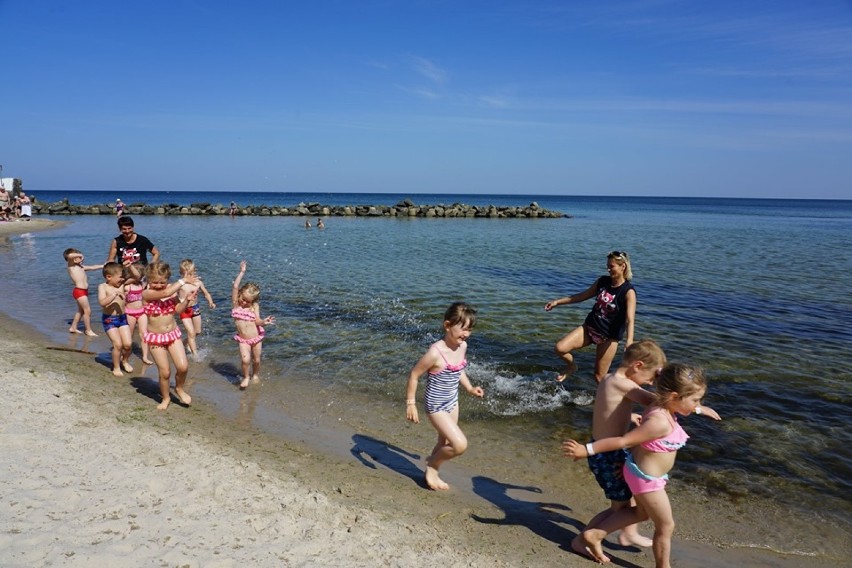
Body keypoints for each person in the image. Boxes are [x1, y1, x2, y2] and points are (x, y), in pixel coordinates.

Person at [563, 363, 719, 567]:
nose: (697, 403)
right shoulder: (659, 422)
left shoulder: (660, 407)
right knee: (666, 526)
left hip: (642, 473)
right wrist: (588, 450)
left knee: (640, 513)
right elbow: (623, 441)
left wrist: (698, 408)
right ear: (673, 396)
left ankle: (594, 534)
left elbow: (643, 444)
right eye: (695, 399)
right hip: (647, 480)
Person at [405, 302, 485, 491]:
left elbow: (459, 370)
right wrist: (411, 403)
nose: (466, 334)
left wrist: (469, 388)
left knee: (445, 443)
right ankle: (432, 465)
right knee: (459, 445)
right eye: (462, 328)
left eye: (470, 329)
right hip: (436, 405)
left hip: (452, 401)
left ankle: (431, 472)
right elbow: (414, 375)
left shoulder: (462, 346)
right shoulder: (435, 353)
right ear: (447, 325)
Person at [545, 250, 636, 383]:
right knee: (560, 348)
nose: (608, 269)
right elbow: (582, 296)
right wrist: (557, 302)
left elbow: (629, 319)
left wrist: (629, 340)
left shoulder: (628, 291)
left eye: (611, 266)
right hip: (590, 328)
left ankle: (607, 401)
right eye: (608, 266)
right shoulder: (603, 281)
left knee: (599, 377)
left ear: (623, 267)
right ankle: (572, 366)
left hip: (608, 337)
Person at [142, 261, 197, 410]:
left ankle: (179, 388)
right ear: (148, 280)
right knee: (165, 371)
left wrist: (187, 300)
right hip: (156, 338)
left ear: (167, 280)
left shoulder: (171, 291)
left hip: (172, 335)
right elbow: (164, 293)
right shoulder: (147, 293)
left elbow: (178, 310)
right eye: (155, 282)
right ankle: (165, 398)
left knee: (183, 367)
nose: (159, 285)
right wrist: (183, 280)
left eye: (163, 282)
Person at [232, 260, 274, 390]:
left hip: (256, 338)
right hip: (243, 339)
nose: (244, 302)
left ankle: (255, 374)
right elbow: (235, 287)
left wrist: (264, 322)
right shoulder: (236, 304)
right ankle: (246, 377)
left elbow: (257, 321)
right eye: (243, 299)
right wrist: (242, 272)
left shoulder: (254, 306)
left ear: (253, 301)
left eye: (248, 301)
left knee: (256, 360)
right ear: (240, 294)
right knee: (245, 360)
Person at [97, 262, 133, 376]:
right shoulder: (103, 287)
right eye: (119, 277)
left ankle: (125, 361)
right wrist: (114, 295)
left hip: (122, 318)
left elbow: (137, 277)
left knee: (127, 344)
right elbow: (102, 303)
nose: (121, 279)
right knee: (117, 344)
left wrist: (130, 266)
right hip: (109, 319)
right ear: (109, 277)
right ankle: (116, 367)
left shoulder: (122, 284)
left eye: (122, 277)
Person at [178, 258, 216, 357]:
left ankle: (185, 342)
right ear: (181, 273)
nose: (188, 276)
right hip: (184, 310)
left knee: (197, 332)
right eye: (185, 274)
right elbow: (171, 293)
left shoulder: (198, 283)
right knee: (191, 332)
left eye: (190, 273)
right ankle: (195, 354)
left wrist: (210, 302)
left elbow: (206, 293)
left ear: (194, 271)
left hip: (195, 308)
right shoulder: (180, 284)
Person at [64, 248, 104, 336]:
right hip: (79, 291)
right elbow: (69, 256)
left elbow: (93, 267)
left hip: (84, 291)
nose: (81, 258)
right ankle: (88, 330)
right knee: (88, 311)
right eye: (78, 257)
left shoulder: (81, 267)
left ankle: (73, 327)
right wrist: (80, 255)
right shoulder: (71, 266)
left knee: (81, 311)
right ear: (73, 259)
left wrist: (103, 266)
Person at [123, 263, 153, 365]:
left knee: (144, 334)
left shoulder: (142, 285)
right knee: (129, 335)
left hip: (142, 312)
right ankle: (126, 354)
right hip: (130, 313)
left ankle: (145, 356)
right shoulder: (127, 286)